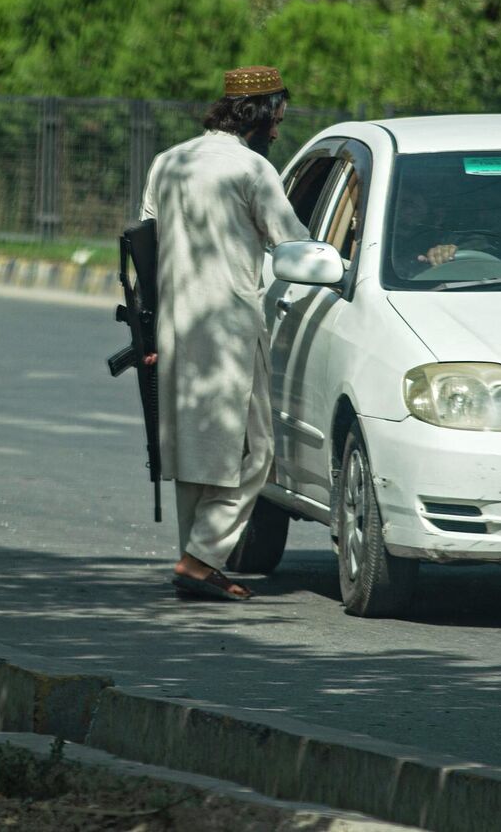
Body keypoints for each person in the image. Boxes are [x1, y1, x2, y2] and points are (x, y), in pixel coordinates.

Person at [140, 66, 308, 601]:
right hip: (230, 326)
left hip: (173, 323)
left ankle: (198, 558)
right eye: (278, 116)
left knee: (194, 451)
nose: (279, 129)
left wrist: (148, 334)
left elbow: (143, 245)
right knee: (255, 450)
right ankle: (200, 558)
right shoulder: (252, 170)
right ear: (257, 113)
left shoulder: (169, 162)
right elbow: (294, 243)